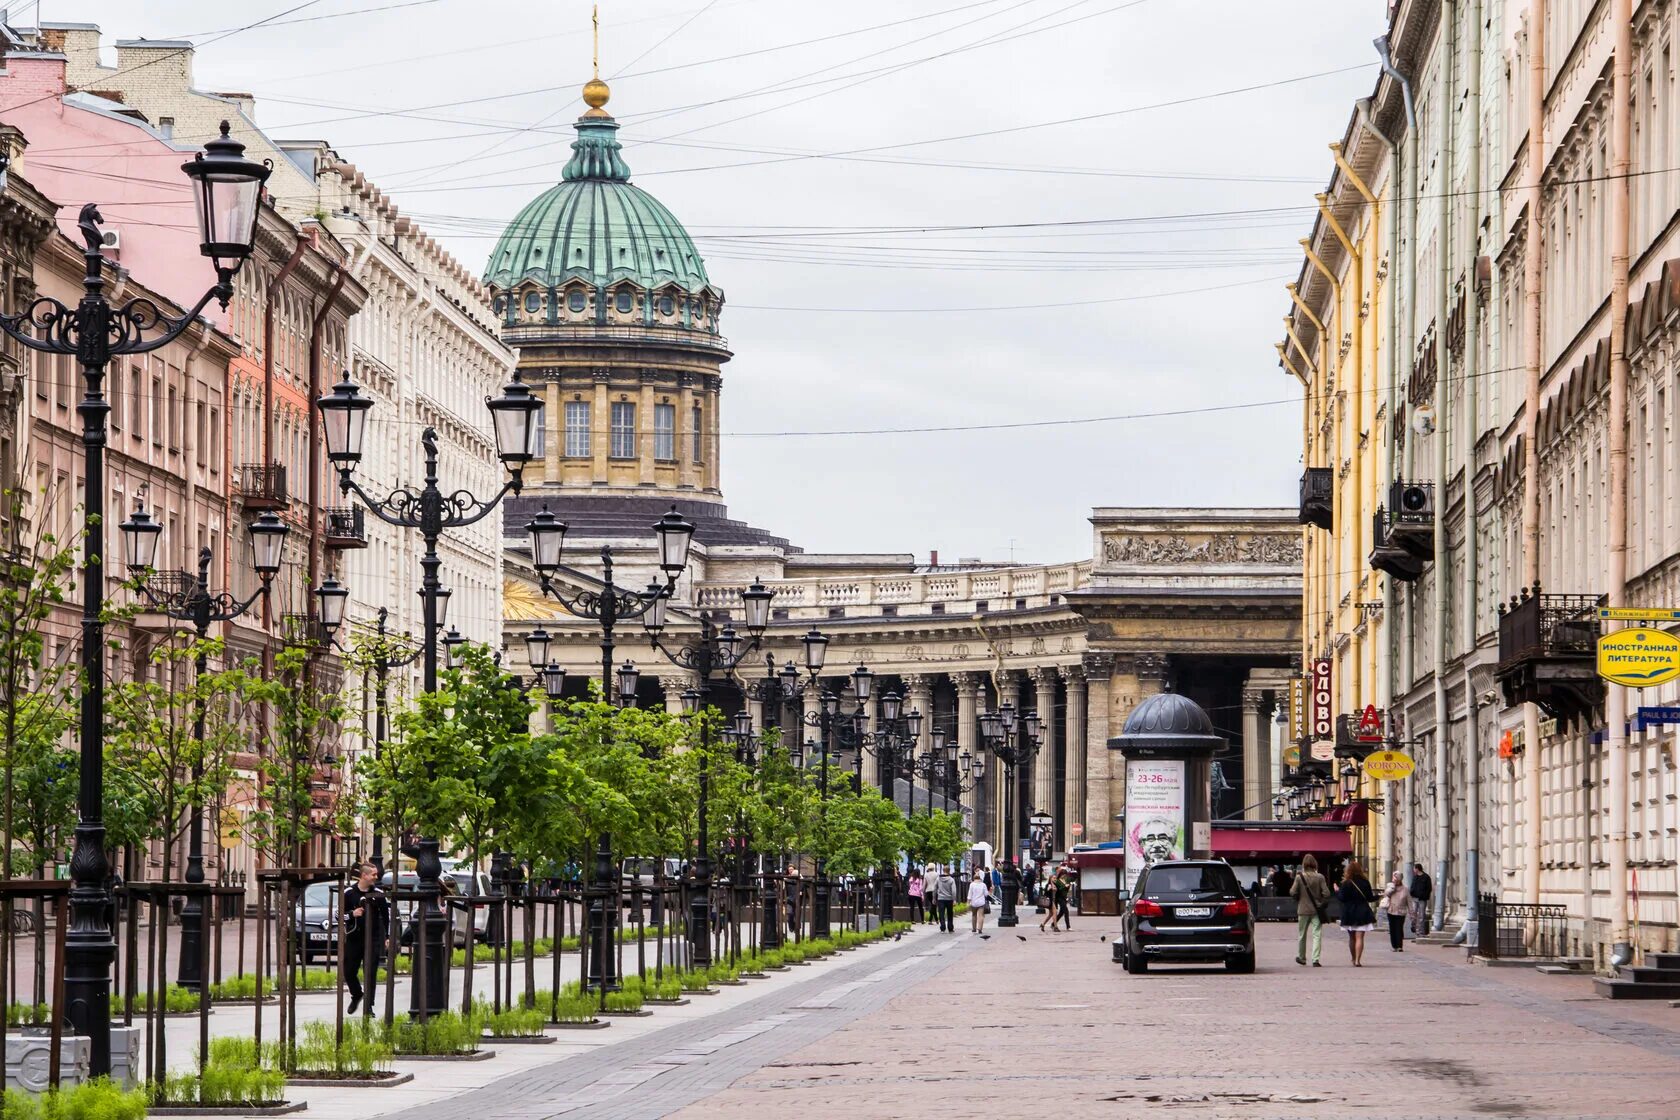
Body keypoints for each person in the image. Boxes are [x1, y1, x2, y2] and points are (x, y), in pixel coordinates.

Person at [341, 861, 388, 1016]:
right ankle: (357, 995)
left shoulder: (378, 894)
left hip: (373, 939)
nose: (376, 877)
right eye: (373, 874)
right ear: (364, 875)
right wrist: (351, 914)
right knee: (348, 971)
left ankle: (368, 1006)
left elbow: (386, 917)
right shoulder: (349, 893)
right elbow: (337, 915)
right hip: (354, 937)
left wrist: (387, 937)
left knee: (370, 972)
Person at [1289, 853, 1330, 967]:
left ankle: (1302, 957)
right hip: (1316, 910)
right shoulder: (1320, 877)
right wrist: (1320, 901)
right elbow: (1327, 893)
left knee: (1302, 934)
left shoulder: (1299, 877)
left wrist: (1299, 896)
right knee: (1317, 934)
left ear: (1304, 864)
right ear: (1314, 864)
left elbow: (1292, 892)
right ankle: (1315, 959)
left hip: (1303, 910)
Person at [1336, 860, 1379, 966]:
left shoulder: (1346, 883)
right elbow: (1370, 898)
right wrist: (1378, 896)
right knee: (1360, 937)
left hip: (1349, 913)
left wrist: (1337, 891)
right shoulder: (1365, 882)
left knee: (1352, 938)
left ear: (1348, 871)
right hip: (1362, 912)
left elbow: (1342, 898)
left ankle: (1353, 958)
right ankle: (1358, 960)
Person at [1380, 870, 1410, 952]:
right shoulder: (1390, 887)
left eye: (1396, 878)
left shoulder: (1405, 889)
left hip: (1401, 912)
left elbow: (1409, 901)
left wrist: (1412, 913)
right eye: (1394, 878)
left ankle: (1399, 946)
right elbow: (1386, 894)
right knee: (1392, 929)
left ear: (1400, 879)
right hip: (1391, 911)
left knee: (1399, 928)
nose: (1395, 880)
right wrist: (1392, 888)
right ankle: (1394, 946)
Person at [1409, 862, 1433, 936]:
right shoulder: (1415, 877)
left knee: (1422, 915)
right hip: (1414, 898)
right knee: (1413, 914)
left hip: (1422, 899)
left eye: (1414, 868)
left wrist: (1424, 896)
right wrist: (1411, 893)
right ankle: (1414, 929)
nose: (1413, 870)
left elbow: (1429, 888)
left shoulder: (1426, 877)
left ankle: (1421, 932)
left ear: (1417, 869)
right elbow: (1412, 886)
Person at [933, 865, 957, 932]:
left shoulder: (938, 879)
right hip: (949, 899)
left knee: (941, 913)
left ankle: (942, 927)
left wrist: (934, 898)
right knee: (950, 914)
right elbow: (954, 891)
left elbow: (934, 889)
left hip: (941, 899)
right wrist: (954, 899)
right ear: (949, 871)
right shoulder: (951, 880)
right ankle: (950, 928)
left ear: (943, 870)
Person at [968, 868, 990, 934]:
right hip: (981, 902)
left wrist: (968, 902)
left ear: (974, 878)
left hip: (974, 902)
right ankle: (980, 928)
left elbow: (970, 894)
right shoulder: (983, 885)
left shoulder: (972, 884)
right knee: (981, 916)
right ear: (980, 878)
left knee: (974, 915)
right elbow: (986, 894)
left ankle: (974, 928)